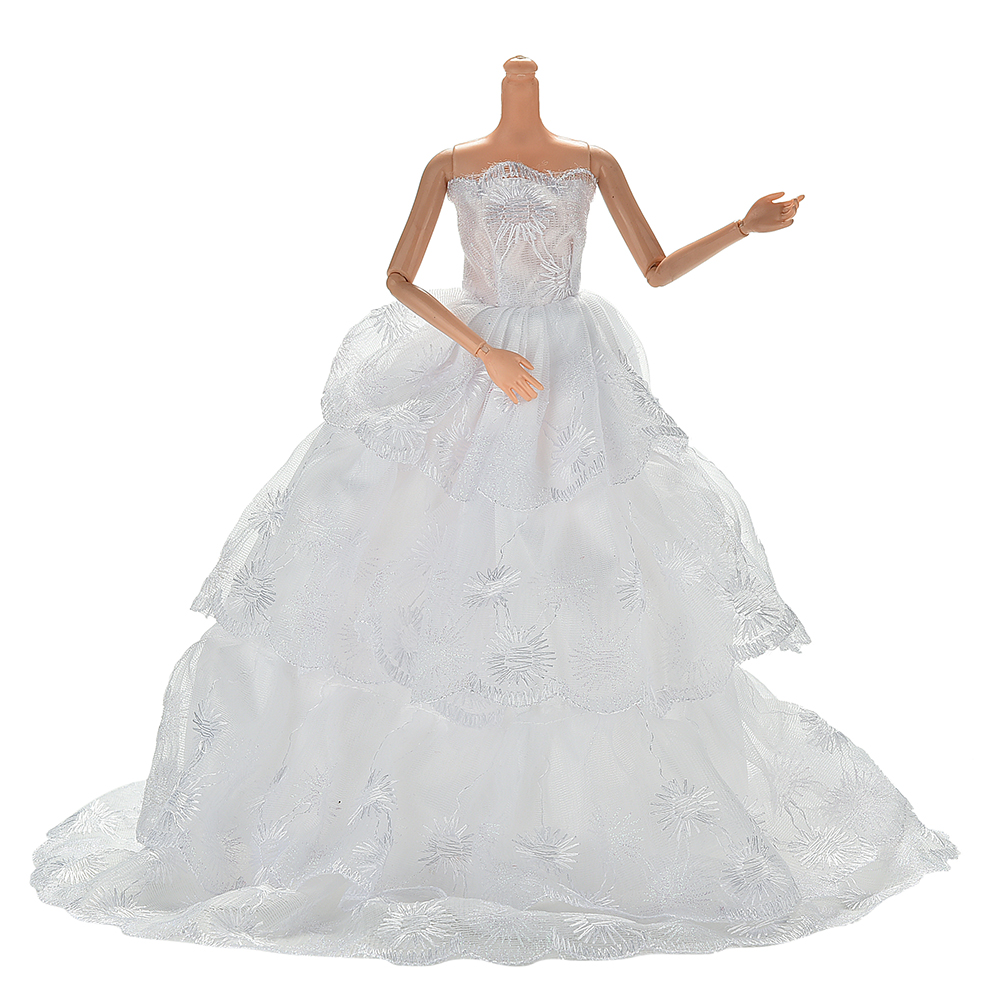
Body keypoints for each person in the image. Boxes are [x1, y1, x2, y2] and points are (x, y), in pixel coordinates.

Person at [30, 55, 956, 965]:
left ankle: (560, 817)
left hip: (572, 373)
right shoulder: (452, 163)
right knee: (428, 546)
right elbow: (398, 277)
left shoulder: (591, 161)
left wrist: (742, 228)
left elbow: (656, 266)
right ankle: (399, 813)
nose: (523, 77)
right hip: (476, 365)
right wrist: (481, 351)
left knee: (585, 553)